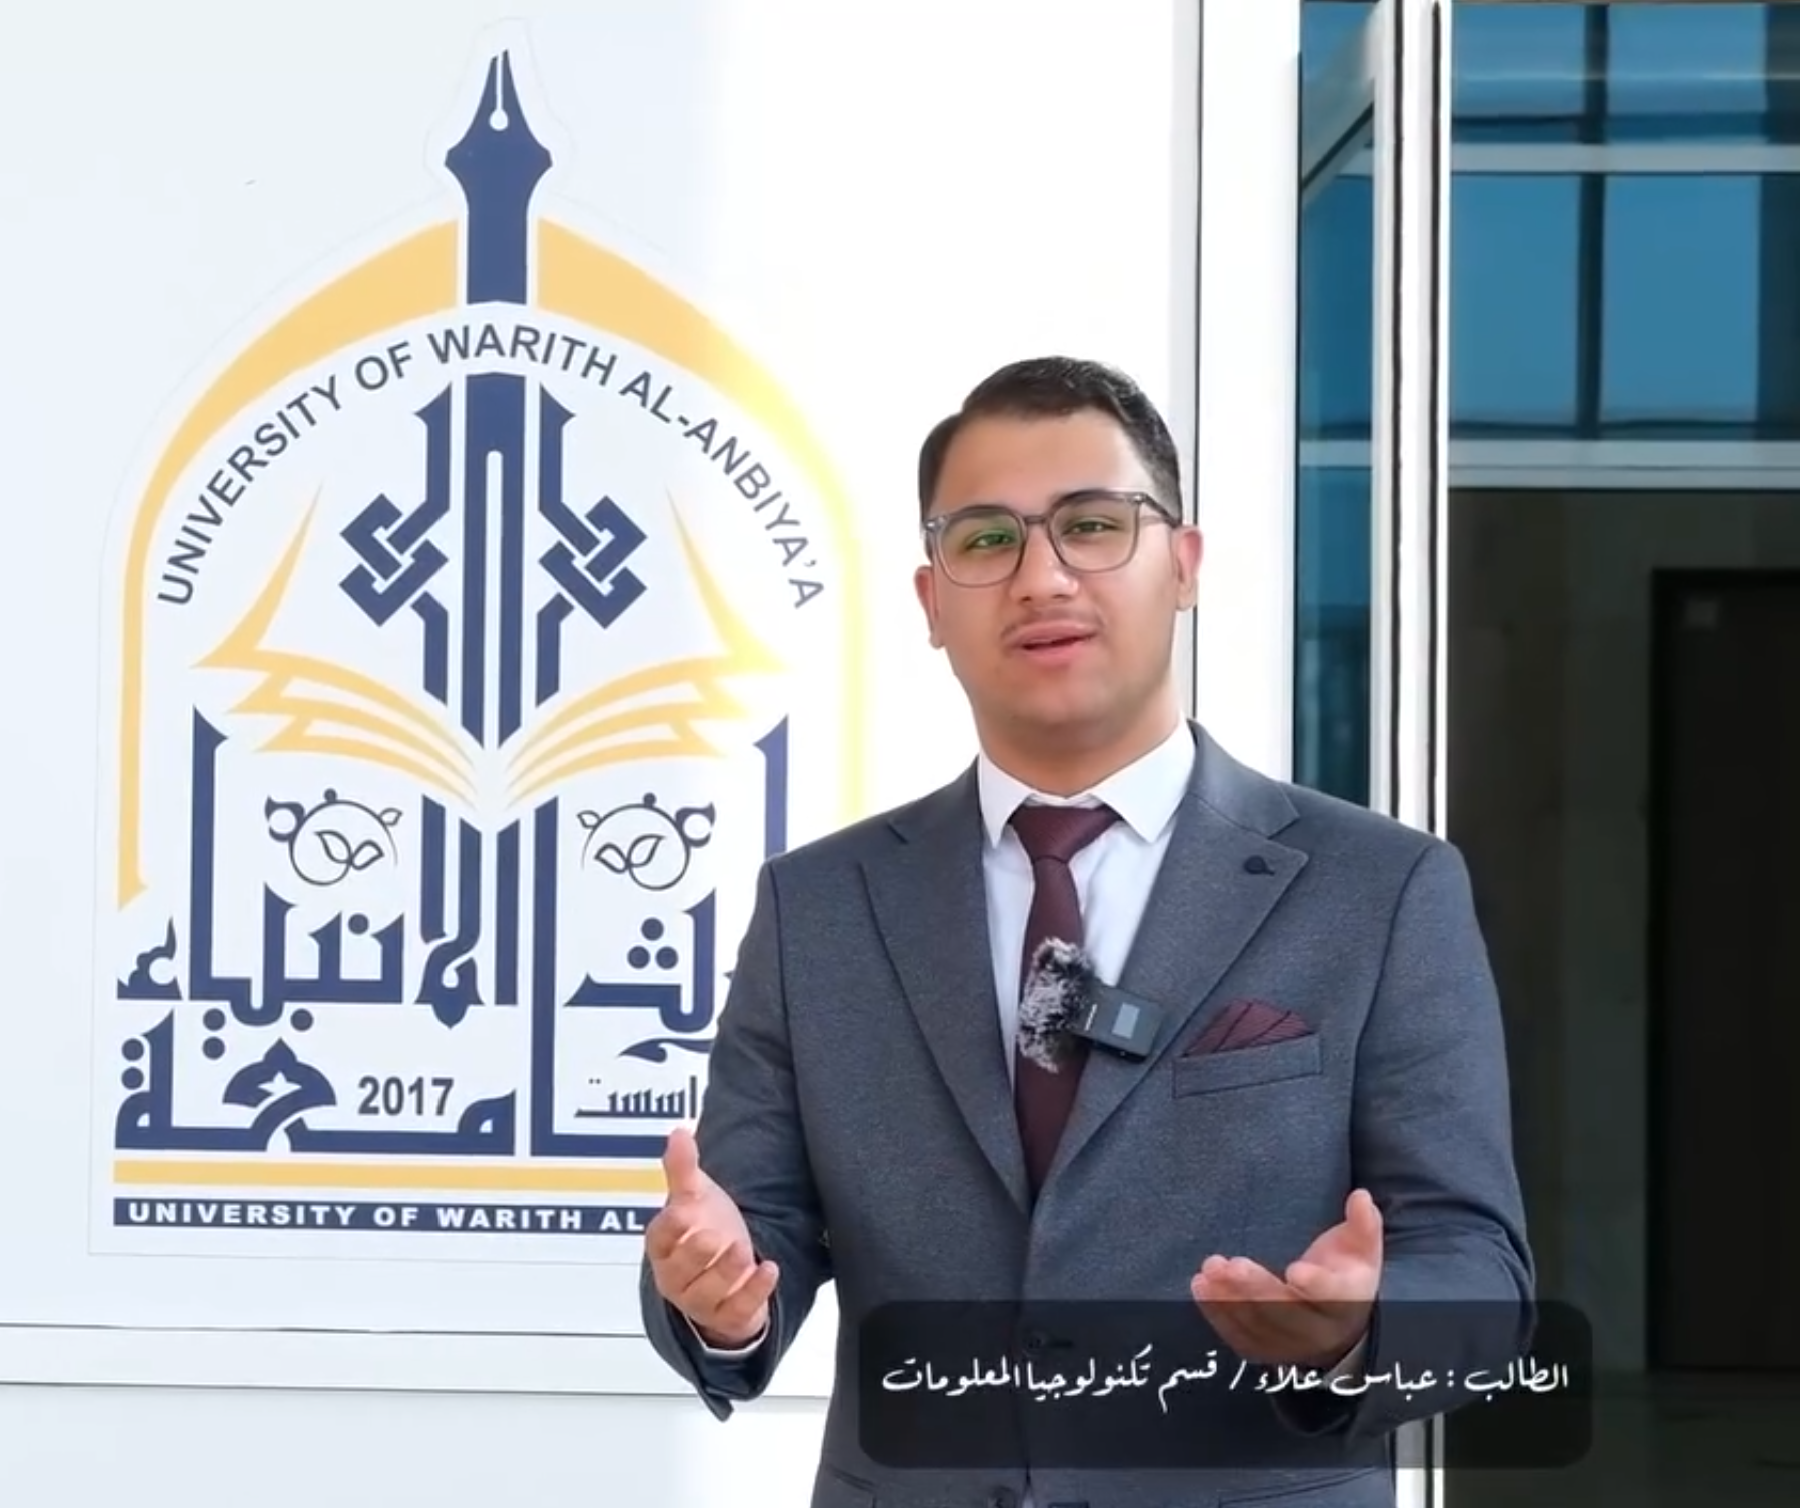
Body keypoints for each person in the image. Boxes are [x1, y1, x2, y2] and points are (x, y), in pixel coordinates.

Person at [635, 357, 1535, 1508]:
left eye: (1093, 525)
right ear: (931, 601)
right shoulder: (821, 906)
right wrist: (717, 1299)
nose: (1042, 575)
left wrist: (1357, 1329)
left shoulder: (1381, 889)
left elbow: (1477, 1268)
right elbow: (746, 1227)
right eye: (986, 539)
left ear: (1184, 563)